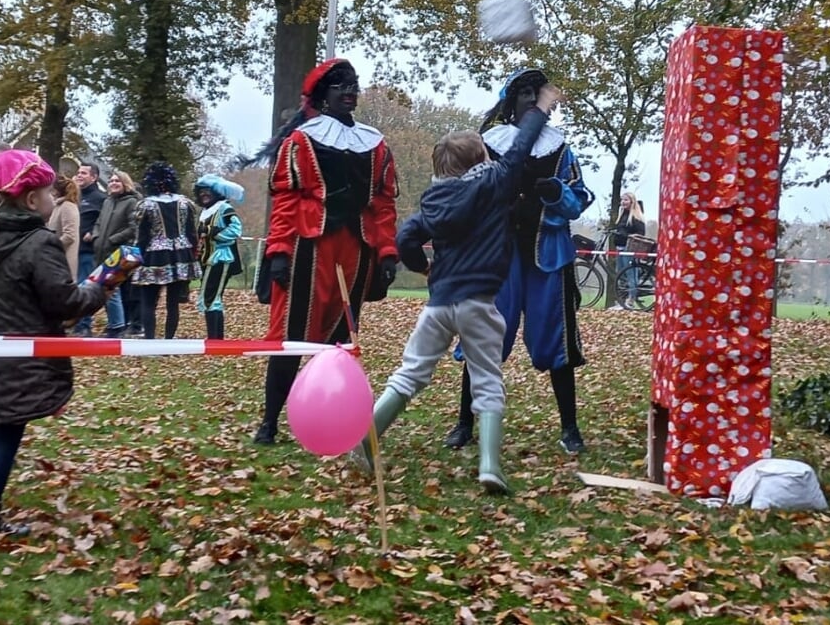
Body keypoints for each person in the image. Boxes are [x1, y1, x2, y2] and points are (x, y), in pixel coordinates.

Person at [349, 84, 562, 494]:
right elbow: (519, 150)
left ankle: (367, 439)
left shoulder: (434, 198)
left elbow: (408, 237)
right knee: (487, 382)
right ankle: (489, 465)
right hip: (479, 304)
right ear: (481, 158)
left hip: (439, 304)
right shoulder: (496, 183)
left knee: (410, 374)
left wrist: (424, 267)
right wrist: (540, 108)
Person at [0, 150, 110, 538]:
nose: (55, 200)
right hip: (22, 355)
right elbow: (63, 302)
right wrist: (100, 290)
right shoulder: (38, 243)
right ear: (32, 200)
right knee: (5, 437)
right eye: (51, 193)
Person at [247, 58, 399, 445]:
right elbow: (285, 200)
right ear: (323, 94)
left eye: (354, 85)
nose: (350, 92)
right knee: (292, 336)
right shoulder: (300, 141)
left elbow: (382, 205)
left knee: (340, 341)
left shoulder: (375, 142)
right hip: (308, 250)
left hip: (355, 252)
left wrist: (386, 253)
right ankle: (269, 422)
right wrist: (278, 250)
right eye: (340, 86)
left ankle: (330, 418)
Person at [443, 69, 595, 455]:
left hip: (548, 260)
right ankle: (464, 423)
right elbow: (469, 193)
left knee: (556, 342)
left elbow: (580, 198)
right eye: (523, 92)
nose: (531, 99)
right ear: (510, 101)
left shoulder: (561, 150)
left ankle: (570, 428)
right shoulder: (489, 145)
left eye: (536, 92)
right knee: (483, 339)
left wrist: (557, 193)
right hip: (499, 259)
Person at [131, 162, 200, 340]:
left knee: (149, 301)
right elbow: (192, 233)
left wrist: (136, 256)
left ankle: (150, 340)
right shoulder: (185, 203)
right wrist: (194, 253)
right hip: (181, 254)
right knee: (173, 302)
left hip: (155, 254)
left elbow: (142, 236)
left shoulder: (146, 205)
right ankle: (169, 340)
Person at [193, 174, 245, 340]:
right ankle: (214, 339)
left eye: (208, 191)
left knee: (211, 297)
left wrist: (215, 233)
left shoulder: (224, 209)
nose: (204, 194)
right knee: (210, 297)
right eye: (201, 192)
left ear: (216, 192)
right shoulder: (206, 211)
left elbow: (236, 230)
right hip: (207, 259)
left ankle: (216, 340)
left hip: (221, 257)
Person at [92, 171, 139, 335]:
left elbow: (133, 228)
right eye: (111, 180)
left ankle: (117, 325)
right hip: (101, 250)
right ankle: (115, 322)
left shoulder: (131, 202)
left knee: (112, 289)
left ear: (125, 183)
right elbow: (99, 222)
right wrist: (96, 236)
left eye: (117, 181)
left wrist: (114, 239)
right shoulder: (107, 202)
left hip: (118, 252)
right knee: (105, 289)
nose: (113, 183)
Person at [72, 161, 107, 334]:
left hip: (88, 251)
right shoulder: (74, 196)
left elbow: (104, 221)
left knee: (84, 287)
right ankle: (74, 323)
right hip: (72, 251)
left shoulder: (100, 199)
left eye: (84, 173)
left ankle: (84, 326)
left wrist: (93, 232)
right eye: (78, 172)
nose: (79, 175)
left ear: (94, 178)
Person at [612, 192, 647, 309]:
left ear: (632, 202)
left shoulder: (636, 217)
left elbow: (640, 233)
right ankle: (621, 300)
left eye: (626, 200)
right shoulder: (622, 215)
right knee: (620, 274)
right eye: (622, 200)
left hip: (629, 248)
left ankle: (631, 299)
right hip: (620, 248)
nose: (623, 202)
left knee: (630, 274)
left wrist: (627, 235)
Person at [48, 174, 80, 279]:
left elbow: (69, 236)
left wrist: (50, 246)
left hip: (63, 261)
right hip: (55, 260)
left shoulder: (68, 206)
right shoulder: (59, 206)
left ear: (56, 190)